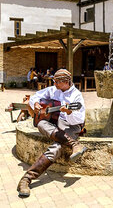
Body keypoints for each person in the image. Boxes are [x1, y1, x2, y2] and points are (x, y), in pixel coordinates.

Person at [17, 69, 87, 198]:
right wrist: (36, 103)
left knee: (57, 147)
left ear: (66, 82)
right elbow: (36, 96)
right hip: (55, 124)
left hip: (71, 125)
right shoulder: (53, 90)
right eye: (54, 81)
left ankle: (26, 179)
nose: (54, 84)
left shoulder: (76, 96)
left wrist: (69, 112)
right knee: (41, 123)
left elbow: (79, 119)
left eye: (57, 82)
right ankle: (74, 144)